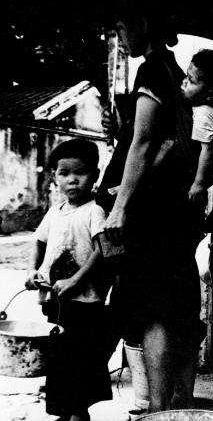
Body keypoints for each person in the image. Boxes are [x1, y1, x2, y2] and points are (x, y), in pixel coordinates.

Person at [102, 2, 204, 412]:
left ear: (145, 23)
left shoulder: (152, 70)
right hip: (178, 211)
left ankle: (161, 409)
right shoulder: (177, 74)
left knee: (154, 314)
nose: (120, 37)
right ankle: (178, 403)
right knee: (177, 308)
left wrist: (120, 206)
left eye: (122, 27)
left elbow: (144, 143)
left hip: (154, 212)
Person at [25, 139, 111, 421]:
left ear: (95, 175)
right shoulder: (54, 212)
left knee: (81, 358)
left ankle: (78, 412)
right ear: (54, 177)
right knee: (59, 359)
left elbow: (102, 249)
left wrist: (76, 279)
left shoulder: (94, 211)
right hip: (56, 300)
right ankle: (65, 411)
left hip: (85, 302)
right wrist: (32, 271)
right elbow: (38, 241)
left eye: (81, 172)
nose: (72, 180)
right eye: (64, 173)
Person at [181, 48, 213, 204]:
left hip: (205, 172)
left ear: (209, 94)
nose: (184, 82)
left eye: (191, 80)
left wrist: (199, 183)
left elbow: (207, 150)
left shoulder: (203, 115)